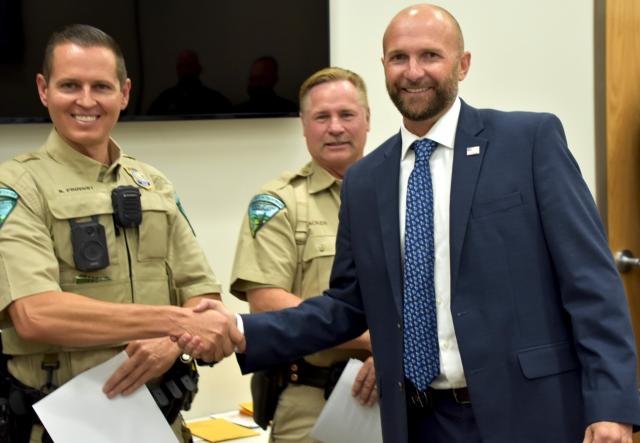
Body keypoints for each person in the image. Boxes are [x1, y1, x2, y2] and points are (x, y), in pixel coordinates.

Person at [181, 4, 640, 443]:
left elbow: (591, 283)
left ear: (462, 64)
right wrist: (242, 330)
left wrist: (613, 404)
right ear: (383, 65)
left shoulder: (528, 141)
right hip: (419, 422)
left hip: (529, 413)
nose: (413, 71)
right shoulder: (366, 180)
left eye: (430, 56)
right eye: (399, 57)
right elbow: (346, 306)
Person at [0, 24, 238, 443]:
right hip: (60, 427)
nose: (86, 101)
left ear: (124, 93)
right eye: (70, 85)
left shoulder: (154, 184)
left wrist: (172, 341)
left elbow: (201, 293)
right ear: (43, 89)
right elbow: (36, 315)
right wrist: (174, 321)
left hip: (158, 424)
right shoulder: (16, 186)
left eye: (102, 86)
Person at [230, 67, 376, 442]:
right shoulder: (279, 203)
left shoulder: (404, 192)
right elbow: (267, 305)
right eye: (321, 117)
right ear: (304, 125)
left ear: (368, 119)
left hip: (404, 393)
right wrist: (375, 341)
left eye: (346, 114)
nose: (335, 127)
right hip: (315, 403)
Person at [147, 49, 232, 116]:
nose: (185, 71)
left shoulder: (215, 100)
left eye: (189, 66)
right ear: (177, 70)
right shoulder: (165, 99)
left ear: (199, 69)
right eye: (181, 66)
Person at [233, 56, 298, 114]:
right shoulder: (238, 111)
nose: (255, 84)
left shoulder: (289, 109)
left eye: (261, 78)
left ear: (274, 79)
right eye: (252, 79)